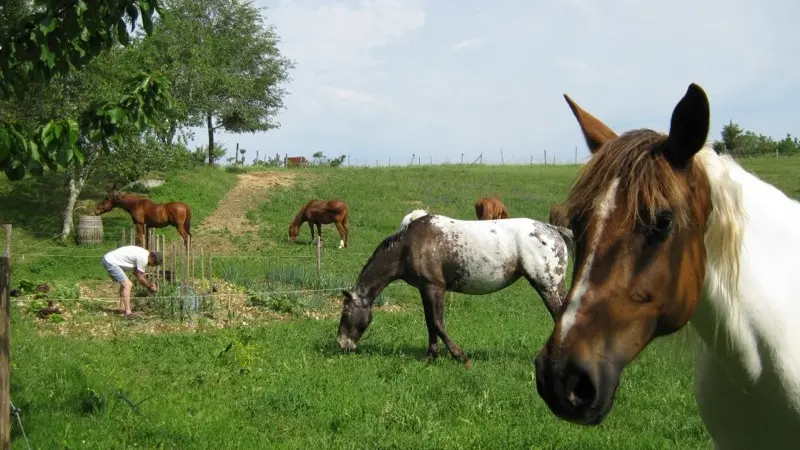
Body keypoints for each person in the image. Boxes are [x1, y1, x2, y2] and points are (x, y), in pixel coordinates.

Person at [101, 245, 162, 318]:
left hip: (110, 259)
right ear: (152, 259)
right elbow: (140, 277)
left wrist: (149, 284)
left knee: (125, 284)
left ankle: (122, 309)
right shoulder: (143, 258)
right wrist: (149, 287)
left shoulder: (145, 254)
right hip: (111, 262)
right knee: (128, 285)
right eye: (154, 264)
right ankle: (128, 313)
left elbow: (136, 273)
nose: (153, 266)